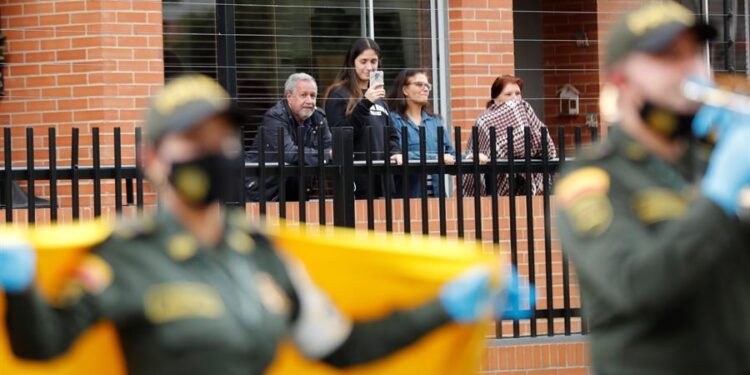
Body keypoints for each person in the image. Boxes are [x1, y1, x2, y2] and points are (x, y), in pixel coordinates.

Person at [0, 74, 506, 375]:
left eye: (221, 138)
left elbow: (345, 345)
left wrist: (446, 306)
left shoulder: (264, 256)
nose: (213, 151)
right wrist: (21, 290)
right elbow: (43, 344)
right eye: (193, 138)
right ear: (153, 158)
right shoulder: (127, 256)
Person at [554, 2, 750, 373]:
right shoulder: (593, 177)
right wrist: (719, 195)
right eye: (668, 56)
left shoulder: (713, 158)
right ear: (622, 80)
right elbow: (635, 284)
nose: (690, 67)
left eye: (694, 53)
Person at [323, 37, 401, 199]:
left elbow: (391, 134)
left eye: (374, 61)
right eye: (363, 61)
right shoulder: (339, 93)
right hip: (356, 178)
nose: (369, 67)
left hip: (382, 177)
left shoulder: (379, 95)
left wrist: (395, 152)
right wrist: (365, 103)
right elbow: (339, 132)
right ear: (352, 63)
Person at [463, 75, 557, 196]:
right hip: (496, 190)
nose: (515, 99)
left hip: (529, 187)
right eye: (508, 94)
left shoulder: (528, 114)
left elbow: (547, 147)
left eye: (518, 93)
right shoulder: (484, 121)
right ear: (496, 99)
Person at [245, 73, 331, 202]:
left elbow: (331, 146)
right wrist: (326, 155)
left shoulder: (318, 117)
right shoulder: (274, 117)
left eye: (313, 96)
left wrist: (330, 153)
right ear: (289, 97)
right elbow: (289, 153)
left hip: (296, 193)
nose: (309, 101)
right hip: (262, 194)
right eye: (304, 95)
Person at [388, 69, 456, 198]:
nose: (425, 89)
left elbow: (450, 154)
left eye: (427, 86)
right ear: (405, 90)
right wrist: (437, 158)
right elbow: (398, 155)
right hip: (408, 199)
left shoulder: (435, 121)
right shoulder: (393, 120)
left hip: (437, 198)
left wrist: (470, 157)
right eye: (419, 84)